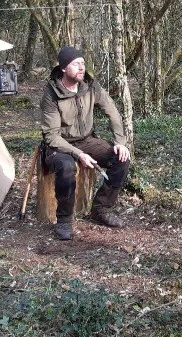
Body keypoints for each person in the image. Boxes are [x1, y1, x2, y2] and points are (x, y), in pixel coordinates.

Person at [40, 46, 131, 241]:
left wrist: (120, 142)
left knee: (121, 158)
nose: (82, 67)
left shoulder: (90, 85)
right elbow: (52, 136)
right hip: (60, 145)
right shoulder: (51, 94)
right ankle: (64, 220)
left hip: (87, 140)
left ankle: (101, 209)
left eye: (83, 63)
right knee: (65, 167)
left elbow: (112, 111)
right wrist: (78, 154)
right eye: (76, 64)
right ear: (64, 68)